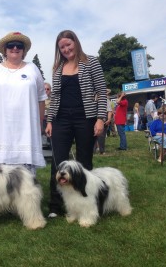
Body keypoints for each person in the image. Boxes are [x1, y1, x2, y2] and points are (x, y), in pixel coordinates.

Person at [45, 30, 107, 218]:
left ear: (76, 43)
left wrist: (100, 118)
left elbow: (102, 91)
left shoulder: (91, 62)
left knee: (84, 162)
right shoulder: (57, 68)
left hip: (85, 118)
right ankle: (55, 206)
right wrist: (49, 120)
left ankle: (86, 202)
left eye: (68, 45)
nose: (66, 49)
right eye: (62, 47)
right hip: (61, 119)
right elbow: (54, 97)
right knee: (58, 163)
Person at [0, 31, 47, 175]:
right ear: (5, 49)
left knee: (26, 179)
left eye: (19, 45)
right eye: (11, 45)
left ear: (24, 50)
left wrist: (39, 123)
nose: (15, 48)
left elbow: (41, 98)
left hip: (26, 131)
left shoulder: (33, 69)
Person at [94, 88, 113, 154]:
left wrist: (109, 119)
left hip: (103, 119)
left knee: (101, 136)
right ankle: (94, 150)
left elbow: (109, 111)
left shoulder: (106, 100)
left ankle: (102, 151)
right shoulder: (94, 100)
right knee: (94, 136)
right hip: (95, 120)